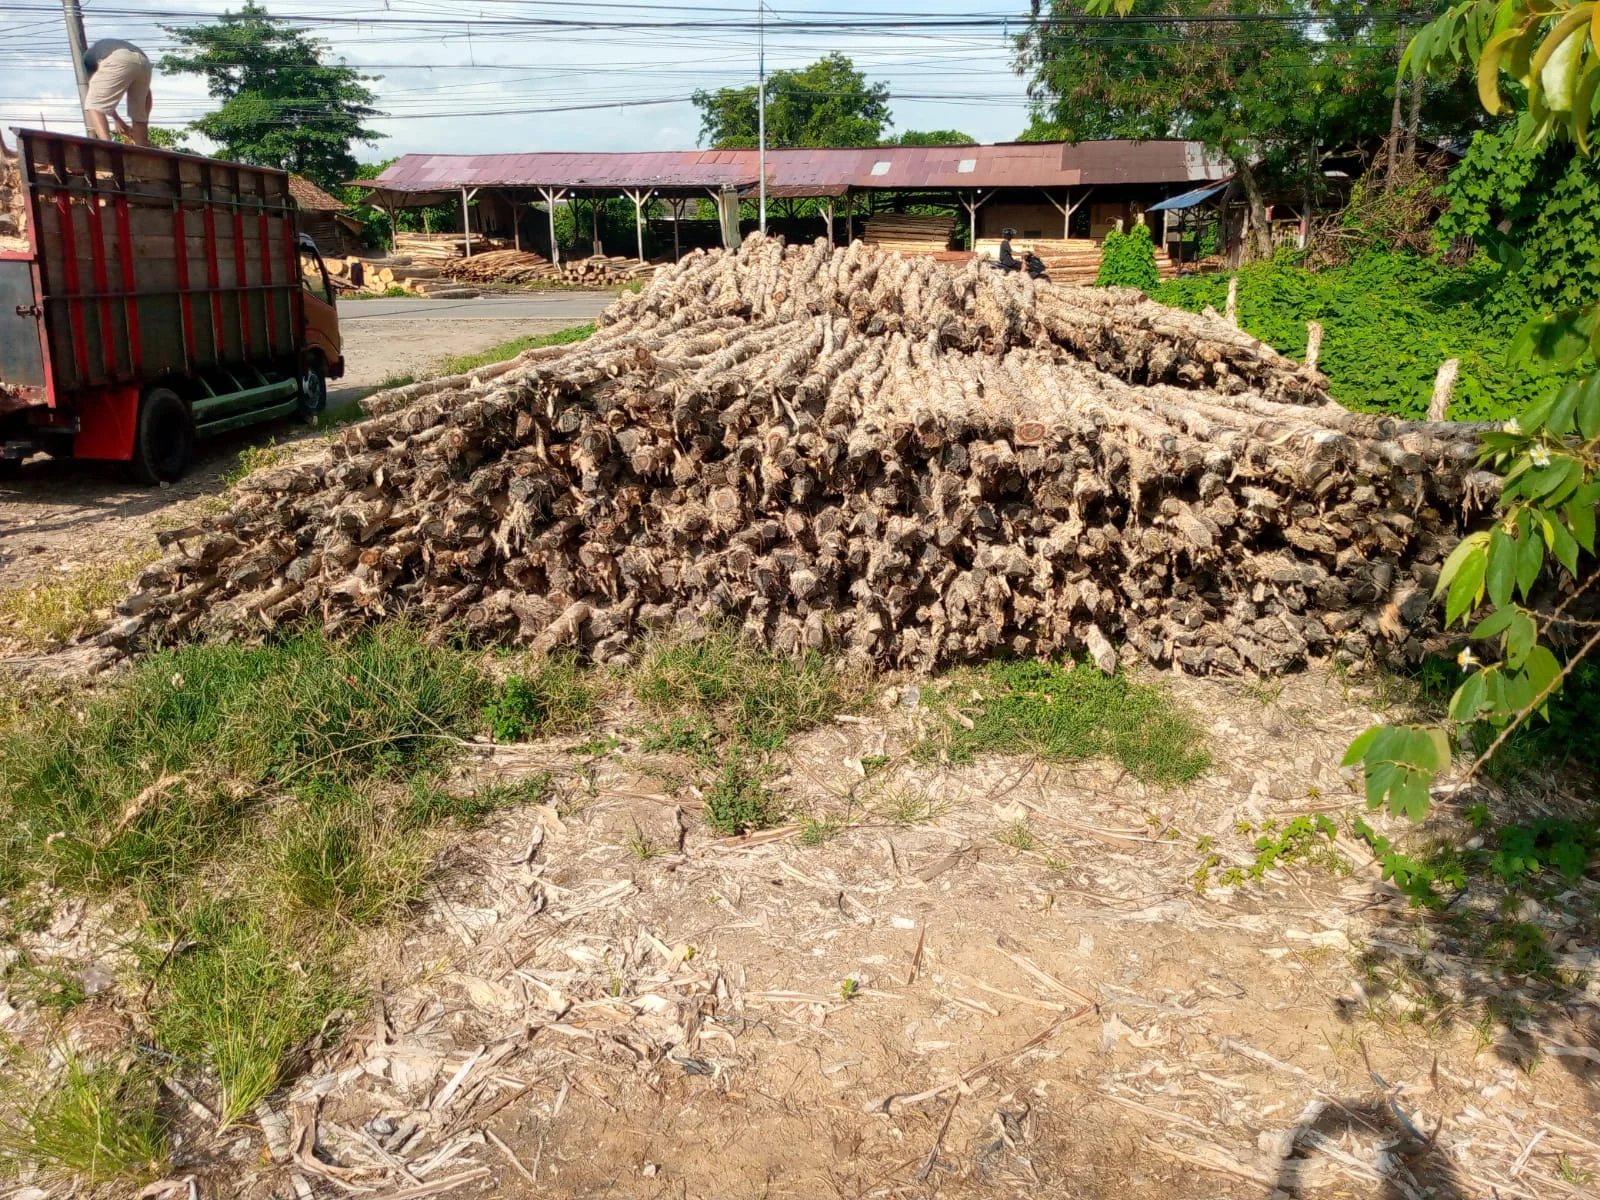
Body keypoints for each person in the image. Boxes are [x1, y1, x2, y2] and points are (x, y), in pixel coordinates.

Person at [82, 38, 153, 146]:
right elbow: (147, 96)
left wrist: (117, 119)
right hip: (145, 62)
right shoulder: (107, 46)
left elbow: (99, 99)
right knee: (139, 116)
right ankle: (142, 151)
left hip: (118, 57)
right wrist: (141, 118)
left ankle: (108, 148)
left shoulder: (88, 59)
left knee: (94, 105)